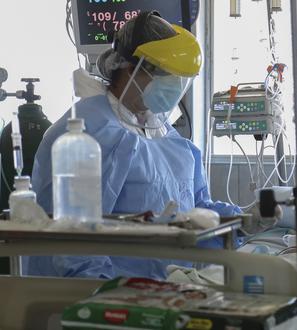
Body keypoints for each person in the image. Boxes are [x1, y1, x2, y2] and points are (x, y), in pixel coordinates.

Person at [24, 12, 241, 279]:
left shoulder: (165, 134)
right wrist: (110, 292)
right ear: (130, 68)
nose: (174, 86)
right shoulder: (89, 133)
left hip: (168, 289)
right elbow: (72, 242)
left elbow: (196, 212)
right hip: (105, 301)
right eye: (166, 75)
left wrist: (243, 222)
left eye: (180, 79)